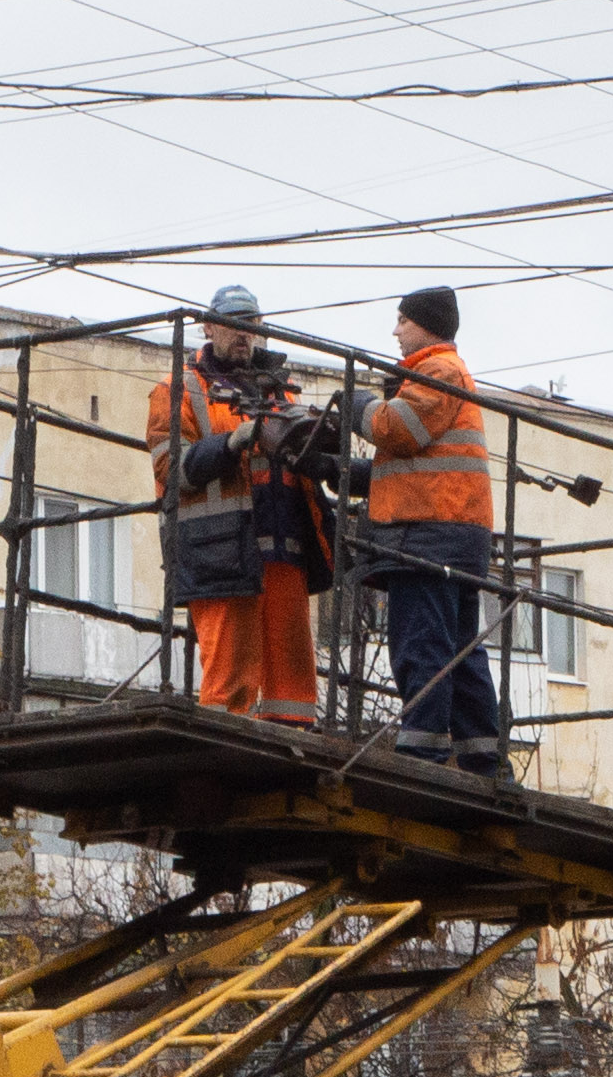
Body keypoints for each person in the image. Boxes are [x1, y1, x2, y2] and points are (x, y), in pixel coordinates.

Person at [153, 287, 325, 725]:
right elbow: (173, 474)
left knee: (293, 685)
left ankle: (292, 756)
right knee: (230, 681)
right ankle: (222, 763)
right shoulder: (179, 390)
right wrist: (235, 441)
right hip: (221, 554)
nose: (244, 335)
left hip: (283, 553)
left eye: (252, 325)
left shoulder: (281, 393)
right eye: (234, 325)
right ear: (208, 328)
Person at [356, 287, 501, 771]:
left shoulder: (436, 369)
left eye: (402, 320)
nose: (395, 331)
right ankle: (482, 757)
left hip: (430, 531)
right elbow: (418, 459)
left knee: (422, 642)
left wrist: (356, 406)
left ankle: (423, 751)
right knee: (461, 650)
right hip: (456, 529)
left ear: (426, 324)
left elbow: (398, 430)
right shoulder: (444, 374)